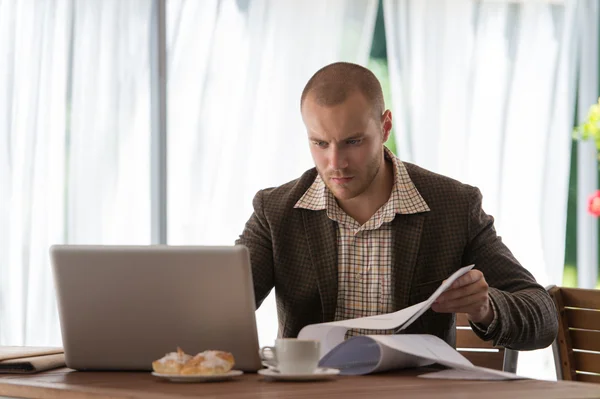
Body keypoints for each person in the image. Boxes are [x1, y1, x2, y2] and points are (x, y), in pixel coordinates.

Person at [236, 62, 558, 350]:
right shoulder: (275, 211)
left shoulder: (454, 207)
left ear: (385, 127)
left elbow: (543, 318)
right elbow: (221, 308)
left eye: (353, 141)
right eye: (320, 143)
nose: (336, 163)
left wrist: (486, 307)